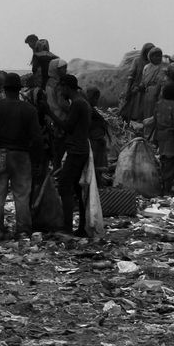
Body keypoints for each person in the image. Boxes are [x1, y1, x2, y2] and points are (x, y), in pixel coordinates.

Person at [0, 73, 43, 238]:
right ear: (19, 90)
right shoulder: (29, 109)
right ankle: (23, 229)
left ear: (4, 89)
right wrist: (38, 162)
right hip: (21, 155)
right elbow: (37, 139)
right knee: (21, 194)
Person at [55, 75, 91, 235]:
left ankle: (67, 227)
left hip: (76, 150)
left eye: (61, 88)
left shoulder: (77, 104)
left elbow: (68, 127)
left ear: (67, 87)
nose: (60, 91)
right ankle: (82, 227)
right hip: (80, 148)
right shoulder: (81, 102)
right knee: (77, 188)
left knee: (64, 185)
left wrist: (49, 112)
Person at [149, 83, 174, 194]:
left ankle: (163, 186)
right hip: (171, 137)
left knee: (164, 159)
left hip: (161, 135)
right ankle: (166, 189)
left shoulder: (158, 104)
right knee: (171, 162)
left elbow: (155, 121)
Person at [120, 43, 156, 121]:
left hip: (146, 91)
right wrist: (128, 89)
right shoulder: (137, 61)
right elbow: (131, 76)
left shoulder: (153, 64)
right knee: (131, 109)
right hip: (136, 89)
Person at [135, 47, 168, 120]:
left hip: (157, 92)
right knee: (147, 111)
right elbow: (143, 81)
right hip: (147, 92)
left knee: (154, 112)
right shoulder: (146, 67)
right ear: (150, 57)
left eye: (160, 56)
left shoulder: (162, 68)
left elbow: (161, 82)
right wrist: (139, 87)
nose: (158, 58)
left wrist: (156, 92)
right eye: (156, 56)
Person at [86, 87, 108, 182]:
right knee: (95, 162)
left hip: (97, 139)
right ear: (91, 98)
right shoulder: (89, 110)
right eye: (95, 99)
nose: (97, 101)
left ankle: (98, 180)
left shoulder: (90, 109)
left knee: (97, 161)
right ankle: (97, 181)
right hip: (94, 140)